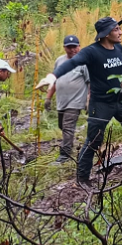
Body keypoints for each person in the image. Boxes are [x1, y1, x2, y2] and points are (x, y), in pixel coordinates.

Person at [37, 17, 122, 189]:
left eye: (119, 29)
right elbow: (73, 63)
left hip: (121, 102)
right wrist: (52, 77)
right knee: (94, 141)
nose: (120, 32)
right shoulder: (91, 52)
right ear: (105, 34)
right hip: (101, 105)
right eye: (116, 30)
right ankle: (82, 179)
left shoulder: (119, 48)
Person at [44, 35, 90, 164]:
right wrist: (48, 97)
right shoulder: (60, 60)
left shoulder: (84, 62)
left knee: (68, 127)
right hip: (61, 101)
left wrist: (88, 99)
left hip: (76, 101)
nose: (72, 50)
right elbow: (55, 79)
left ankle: (64, 156)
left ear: (79, 46)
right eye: (69, 47)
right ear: (64, 48)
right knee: (62, 126)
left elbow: (90, 82)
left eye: (74, 47)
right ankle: (69, 144)